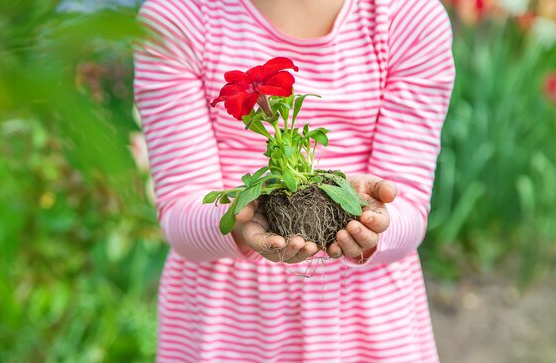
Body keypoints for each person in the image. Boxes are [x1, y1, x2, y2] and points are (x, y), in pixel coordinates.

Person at [133, 0, 455, 361]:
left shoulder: (408, 17)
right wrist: (237, 221)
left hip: (363, 329)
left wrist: (375, 221)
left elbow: (408, 209)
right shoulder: (178, 18)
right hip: (227, 332)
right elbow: (179, 213)